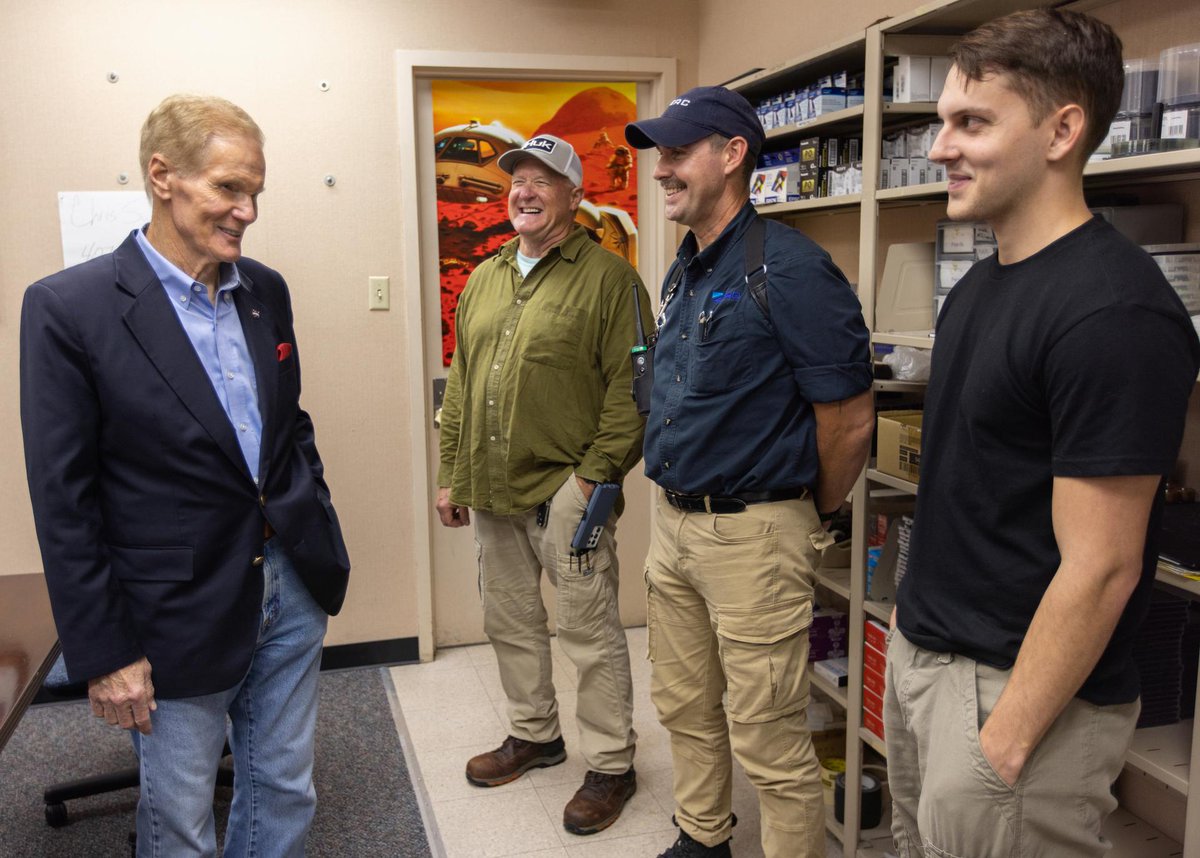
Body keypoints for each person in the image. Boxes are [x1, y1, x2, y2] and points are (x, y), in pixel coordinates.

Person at [886, 10, 1200, 857]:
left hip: (1012, 700)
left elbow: (1103, 566)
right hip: (930, 662)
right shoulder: (981, 287)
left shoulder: (1115, 310)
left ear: (1064, 130)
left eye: (972, 122)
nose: (941, 147)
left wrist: (1006, 741)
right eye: (942, 121)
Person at [20, 94, 351, 857]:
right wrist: (103, 652)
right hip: (171, 612)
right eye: (230, 189)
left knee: (284, 788)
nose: (248, 211)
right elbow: (64, 502)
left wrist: (313, 519)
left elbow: (288, 426)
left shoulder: (264, 289)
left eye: (256, 193)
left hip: (291, 587)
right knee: (179, 821)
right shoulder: (70, 310)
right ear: (162, 176)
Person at [624, 87, 875, 858]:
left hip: (753, 535)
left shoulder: (792, 268)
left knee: (767, 734)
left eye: (677, 152)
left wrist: (805, 512)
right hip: (673, 527)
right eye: (659, 154)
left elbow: (849, 418)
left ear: (732, 156)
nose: (662, 169)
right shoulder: (687, 268)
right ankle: (704, 837)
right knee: (686, 705)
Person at [436, 133, 652, 836]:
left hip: (569, 488)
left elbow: (632, 392)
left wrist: (593, 480)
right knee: (510, 622)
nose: (523, 192)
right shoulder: (487, 275)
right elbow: (463, 384)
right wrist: (452, 472)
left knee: (586, 630)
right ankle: (535, 735)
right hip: (493, 482)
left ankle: (613, 764)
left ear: (572, 195)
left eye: (542, 180)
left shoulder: (610, 280)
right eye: (515, 180)